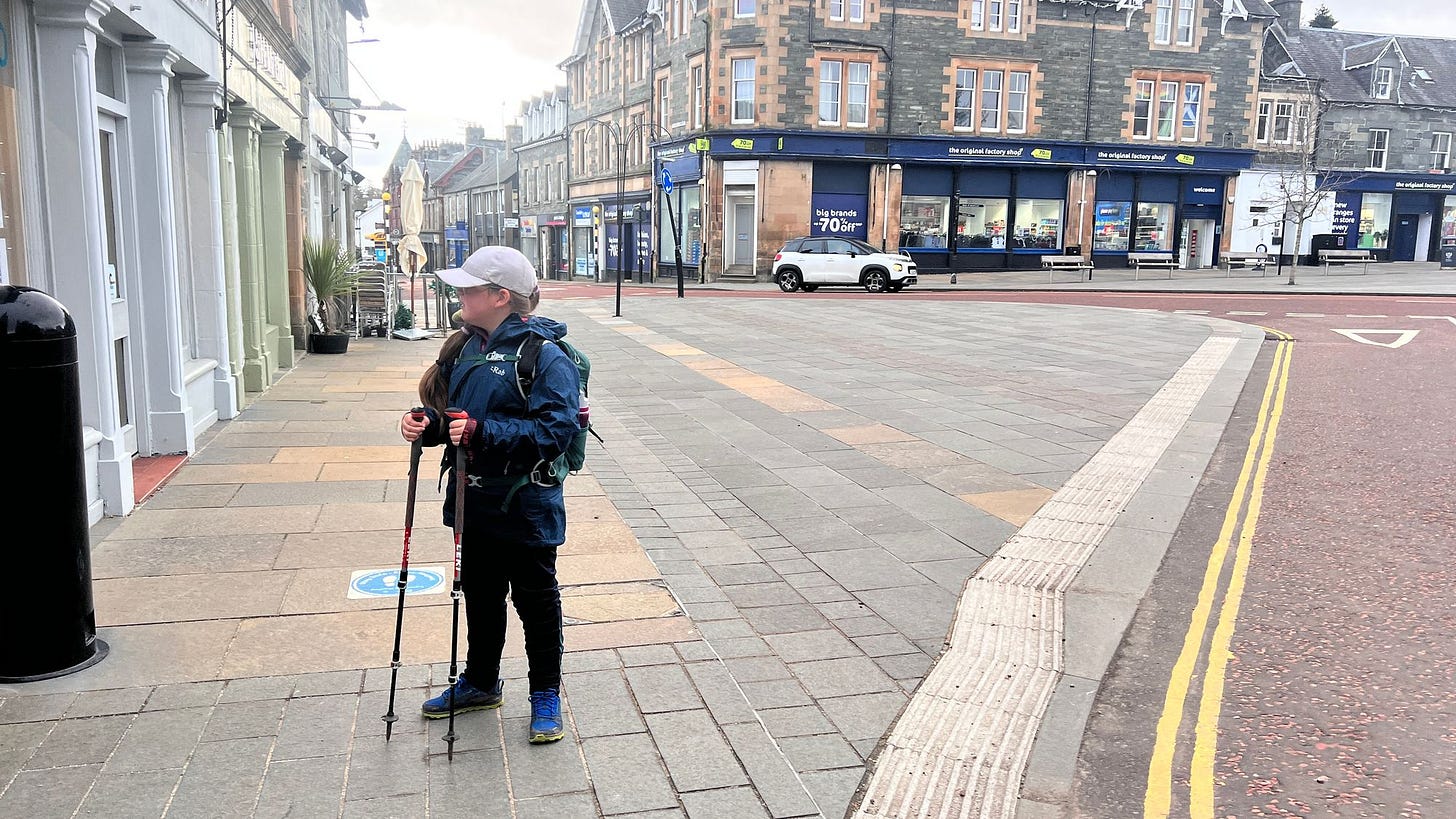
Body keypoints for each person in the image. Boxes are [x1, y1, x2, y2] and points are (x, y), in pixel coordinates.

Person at [399, 246, 580, 744]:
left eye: (469, 287)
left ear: (501, 297)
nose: (459, 293)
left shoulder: (544, 356)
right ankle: (481, 680)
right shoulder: (464, 348)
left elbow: (554, 432)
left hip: (525, 505)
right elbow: (458, 419)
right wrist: (430, 425)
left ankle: (545, 692)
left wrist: (481, 433)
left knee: (536, 602)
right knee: (479, 596)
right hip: (470, 502)